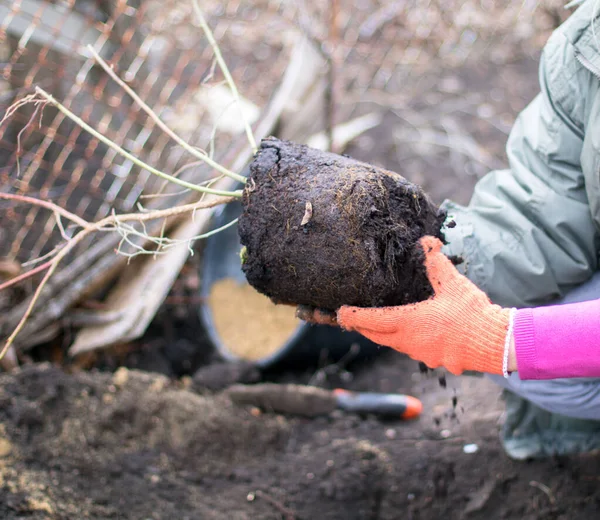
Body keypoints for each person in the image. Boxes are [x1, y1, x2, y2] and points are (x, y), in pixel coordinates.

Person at [300, 0, 600, 460]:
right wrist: (423, 261)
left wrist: (501, 339)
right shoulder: (588, 48)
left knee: (523, 355)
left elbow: (505, 341)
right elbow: (545, 208)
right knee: (538, 362)